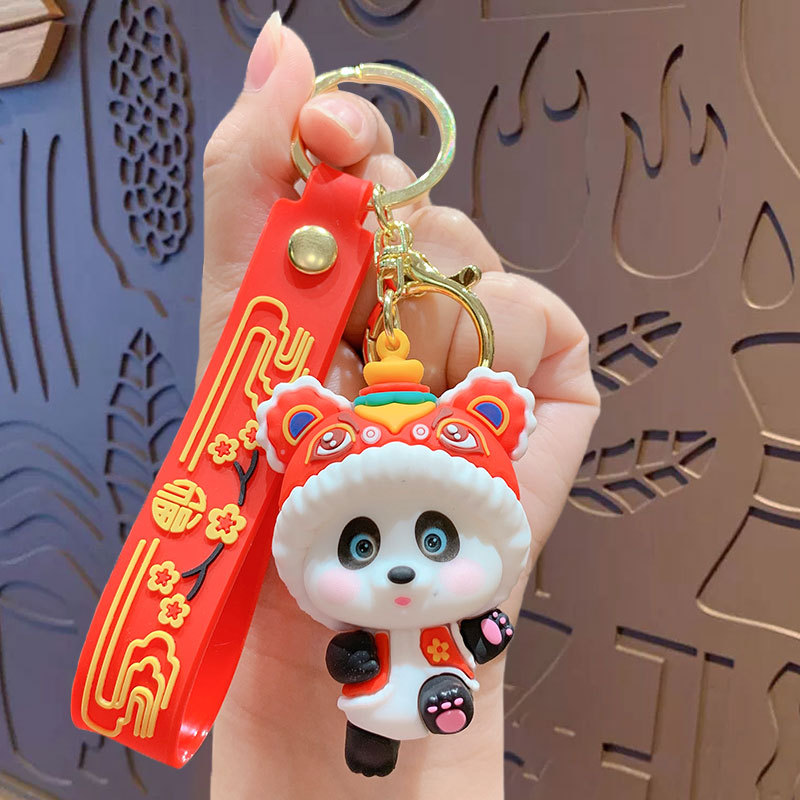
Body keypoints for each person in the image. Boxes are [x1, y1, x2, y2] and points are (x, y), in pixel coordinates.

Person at [200, 13, 600, 799]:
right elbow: (344, 653)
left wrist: (484, 627)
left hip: (443, 678)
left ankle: (419, 721)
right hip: (373, 693)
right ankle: (378, 744)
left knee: (414, 692)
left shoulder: (456, 607)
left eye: (437, 536)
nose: (406, 568)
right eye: (357, 546)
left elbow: (485, 633)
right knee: (373, 710)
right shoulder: (359, 626)